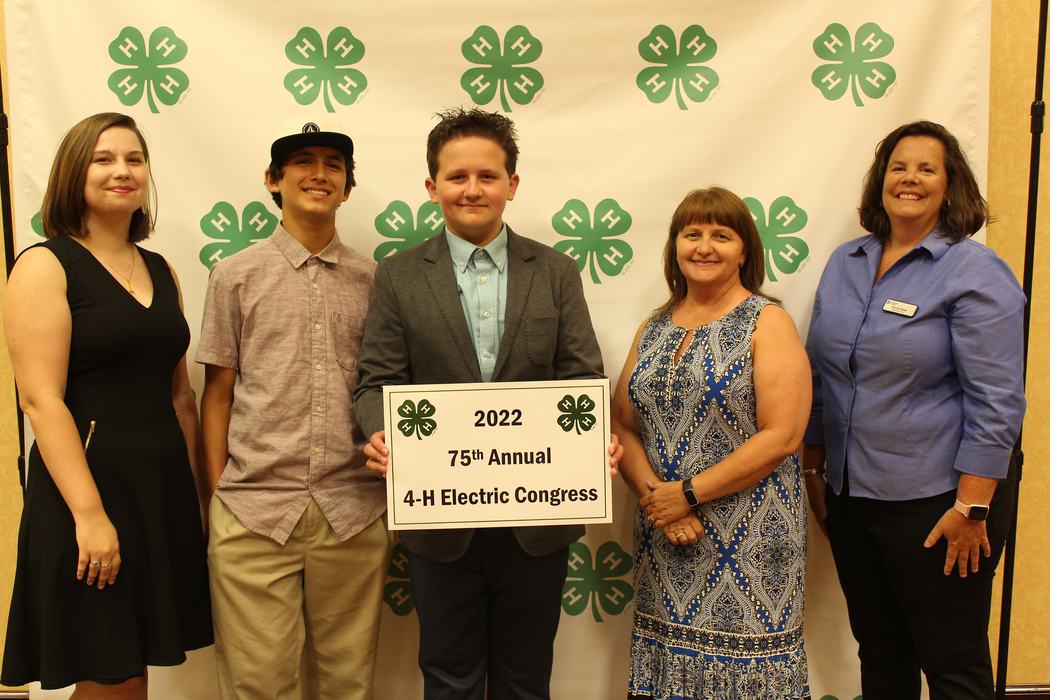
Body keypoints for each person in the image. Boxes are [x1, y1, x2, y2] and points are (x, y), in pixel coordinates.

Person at [353, 107, 620, 700]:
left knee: (527, 679)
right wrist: (378, 433)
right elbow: (376, 383)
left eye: (487, 176)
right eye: (456, 177)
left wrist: (592, 438)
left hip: (538, 521)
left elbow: (582, 377)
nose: (472, 189)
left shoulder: (555, 271)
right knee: (448, 676)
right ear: (432, 187)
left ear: (512, 185)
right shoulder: (397, 277)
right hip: (438, 519)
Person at [803, 120, 1025, 700]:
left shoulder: (974, 271)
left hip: (941, 505)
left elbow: (998, 401)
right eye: (899, 167)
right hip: (853, 499)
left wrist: (973, 506)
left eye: (927, 169)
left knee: (952, 665)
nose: (910, 179)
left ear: (950, 187)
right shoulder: (846, 263)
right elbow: (823, 374)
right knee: (880, 654)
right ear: (881, 181)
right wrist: (814, 469)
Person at [0, 112, 212, 696]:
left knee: (131, 672)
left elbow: (179, 395)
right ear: (74, 173)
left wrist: (195, 495)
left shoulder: (161, 268)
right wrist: (90, 517)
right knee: (107, 674)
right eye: (104, 159)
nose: (122, 171)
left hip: (158, 492)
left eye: (134, 159)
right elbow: (40, 401)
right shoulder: (45, 264)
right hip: (87, 496)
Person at [197, 119, 389, 700]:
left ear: (349, 188)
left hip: (352, 510)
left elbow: (386, 389)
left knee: (348, 684)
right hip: (252, 512)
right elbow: (218, 395)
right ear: (273, 181)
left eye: (333, 165)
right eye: (303, 162)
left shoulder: (375, 280)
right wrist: (216, 496)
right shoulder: (234, 276)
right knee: (258, 686)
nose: (318, 174)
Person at [611, 186, 812, 699]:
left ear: (745, 249)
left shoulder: (768, 321)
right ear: (674, 246)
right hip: (667, 535)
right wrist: (663, 501)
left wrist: (690, 494)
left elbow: (783, 435)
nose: (704, 246)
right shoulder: (654, 327)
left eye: (721, 235)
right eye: (691, 233)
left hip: (753, 540)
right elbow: (621, 424)